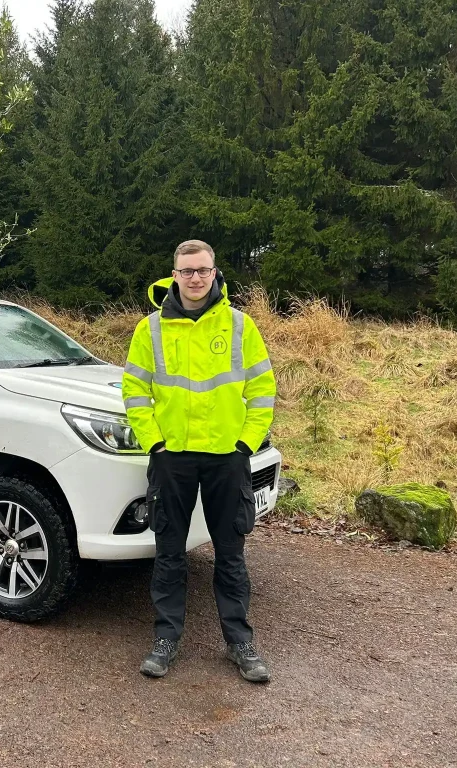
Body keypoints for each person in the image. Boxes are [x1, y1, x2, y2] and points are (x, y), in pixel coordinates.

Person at [121, 239, 276, 683]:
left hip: (227, 458)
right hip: (173, 460)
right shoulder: (149, 330)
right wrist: (155, 444)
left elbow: (263, 391)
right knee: (169, 552)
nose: (194, 278)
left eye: (202, 270)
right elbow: (134, 393)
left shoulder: (240, 325)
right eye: (186, 271)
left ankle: (240, 642)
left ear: (215, 272)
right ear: (174, 275)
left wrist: (246, 445)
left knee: (230, 554)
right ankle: (166, 639)